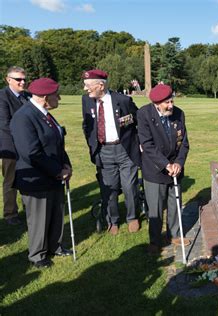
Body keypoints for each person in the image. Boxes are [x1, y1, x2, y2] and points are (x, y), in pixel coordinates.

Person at [10, 78, 73, 268]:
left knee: (55, 213)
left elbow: (57, 143)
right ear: (45, 97)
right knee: (39, 219)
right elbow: (30, 152)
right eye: (56, 95)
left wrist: (66, 166)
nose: (59, 98)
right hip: (36, 179)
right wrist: (57, 171)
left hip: (54, 175)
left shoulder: (45, 114)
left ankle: (55, 246)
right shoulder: (24, 117)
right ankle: (37, 255)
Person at [82, 69, 141, 235]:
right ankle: (112, 220)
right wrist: (92, 145)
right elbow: (86, 125)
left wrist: (139, 142)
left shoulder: (122, 100)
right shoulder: (86, 100)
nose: (86, 89)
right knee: (109, 188)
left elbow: (138, 119)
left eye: (88, 86)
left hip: (124, 149)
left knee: (129, 187)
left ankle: (132, 217)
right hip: (103, 150)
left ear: (101, 85)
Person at [137, 84, 190, 254]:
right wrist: (165, 165)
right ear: (157, 103)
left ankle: (173, 234)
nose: (171, 105)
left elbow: (185, 144)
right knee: (156, 207)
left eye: (172, 100)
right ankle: (155, 239)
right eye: (167, 102)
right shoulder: (144, 114)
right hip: (155, 169)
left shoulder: (179, 113)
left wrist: (178, 164)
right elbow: (147, 145)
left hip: (176, 168)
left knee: (175, 204)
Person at [0, 66, 30, 225]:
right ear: (8, 80)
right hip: (10, 146)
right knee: (10, 181)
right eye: (18, 79)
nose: (23, 82)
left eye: (24, 79)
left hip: (27, 145)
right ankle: (10, 214)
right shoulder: (2, 96)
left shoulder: (27, 96)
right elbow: (5, 124)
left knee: (28, 176)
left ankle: (29, 207)